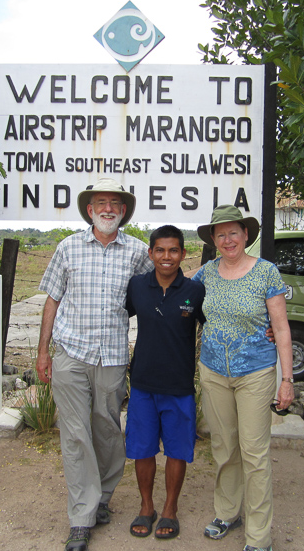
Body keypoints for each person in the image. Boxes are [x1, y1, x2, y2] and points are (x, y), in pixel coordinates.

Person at [36, 178, 154, 551]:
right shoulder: (68, 248)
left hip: (113, 357)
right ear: (89, 210)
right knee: (74, 434)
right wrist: (42, 352)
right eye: (100, 203)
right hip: (70, 354)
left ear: (123, 212)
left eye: (114, 204)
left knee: (106, 431)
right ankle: (82, 517)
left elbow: (165, 285)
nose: (107, 209)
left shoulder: (137, 252)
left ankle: (102, 496)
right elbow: (52, 300)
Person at [194, 205, 295, 551]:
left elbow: (281, 328)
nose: (227, 239)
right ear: (213, 240)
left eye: (233, 232)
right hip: (213, 371)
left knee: (254, 453)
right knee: (224, 448)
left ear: (246, 234)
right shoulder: (205, 274)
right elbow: (179, 296)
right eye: (220, 234)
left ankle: (259, 536)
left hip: (255, 373)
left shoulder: (266, 272)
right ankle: (227, 512)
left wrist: (287, 380)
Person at [124, 225, 206, 540]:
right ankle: (147, 507)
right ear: (151, 254)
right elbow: (113, 315)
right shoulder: (137, 287)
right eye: (160, 250)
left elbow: (218, 322)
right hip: (143, 383)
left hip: (179, 386)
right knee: (142, 450)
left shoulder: (194, 291)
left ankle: (170, 509)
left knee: (177, 451)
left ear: (183, 254)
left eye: (173, 250)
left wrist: (266, 331)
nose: (166, 257)